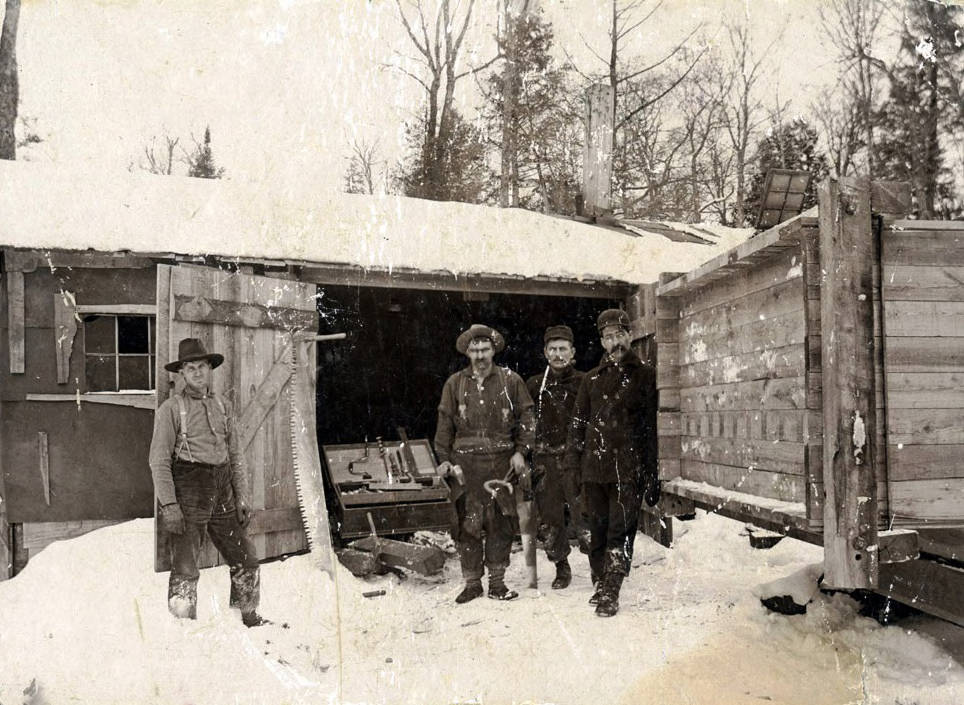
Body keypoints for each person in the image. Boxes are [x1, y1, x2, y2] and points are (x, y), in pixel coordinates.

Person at [148, 338, 267, 627]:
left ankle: (247, 617)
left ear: (210, 369)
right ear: (182, 374)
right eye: (191, 368)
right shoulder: (171, 410)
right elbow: (159, 461)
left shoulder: (223, 407)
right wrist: (170, 505)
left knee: (246, 556)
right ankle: (182, 626)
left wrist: (241, 498)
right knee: (186, 565)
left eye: (202, 366)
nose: (198, 373)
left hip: (223, 488)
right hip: (190, 490)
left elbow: (236, 456)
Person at [565, 309, 658, 617]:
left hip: (626, 469)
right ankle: (600, 581)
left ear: (629, 336)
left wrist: (652, 473)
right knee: (597, 532)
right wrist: (573, 467)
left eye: (620, 335)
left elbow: (650, 428)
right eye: (608, 337)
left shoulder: (645, 376)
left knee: (621, 531)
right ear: (602, 342)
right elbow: (577, 425)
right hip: (594, 470)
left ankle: (611, 590)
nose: (615, 342)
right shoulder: (591, 380)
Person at [435, 324, 535, 603]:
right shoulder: (454, 384)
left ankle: (498, 583)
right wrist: (443, 459)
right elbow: (444, 426)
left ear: (494, 350)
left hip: (500, 462)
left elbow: (527, 420)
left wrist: (521, 452)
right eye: (474, 350)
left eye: (485, 349)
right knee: (467, 523)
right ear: (467, 352)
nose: (480, 355)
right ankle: (471, 583)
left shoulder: (510, 380)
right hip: (464, 465)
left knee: (499, 522)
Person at [525, 325, 585, 590]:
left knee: (587, 514)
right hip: (545, 460)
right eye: (553, 349)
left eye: (563, 349)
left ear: (573, 351)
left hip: (576, 459)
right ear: (545, 352)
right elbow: (526, 423)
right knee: (550, 520)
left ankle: (598, 566)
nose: (558, 354)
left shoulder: (585, 382)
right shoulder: (534, 384)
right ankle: (561, 566)